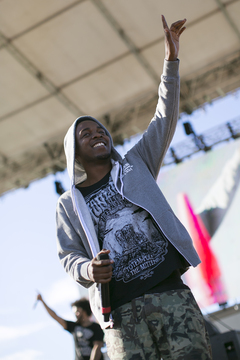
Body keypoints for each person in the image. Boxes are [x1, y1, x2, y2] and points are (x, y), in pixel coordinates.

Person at [56, 15, 212, 359]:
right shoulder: (70, 203)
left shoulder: (135, 163)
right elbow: (68, 255)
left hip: (170, 292)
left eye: (100, 130)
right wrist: (88, 269)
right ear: (75, 153)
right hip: (122, 314)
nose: (97, 134)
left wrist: (171, 61)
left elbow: (164, 116)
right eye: (87, 134)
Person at [36, 294, 104, 360]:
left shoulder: (96, 327)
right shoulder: (74, 327)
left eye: (77, 311)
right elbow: (55, 317)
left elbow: (97, 347)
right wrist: (42, 301)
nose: (75, 314)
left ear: (84, 310)